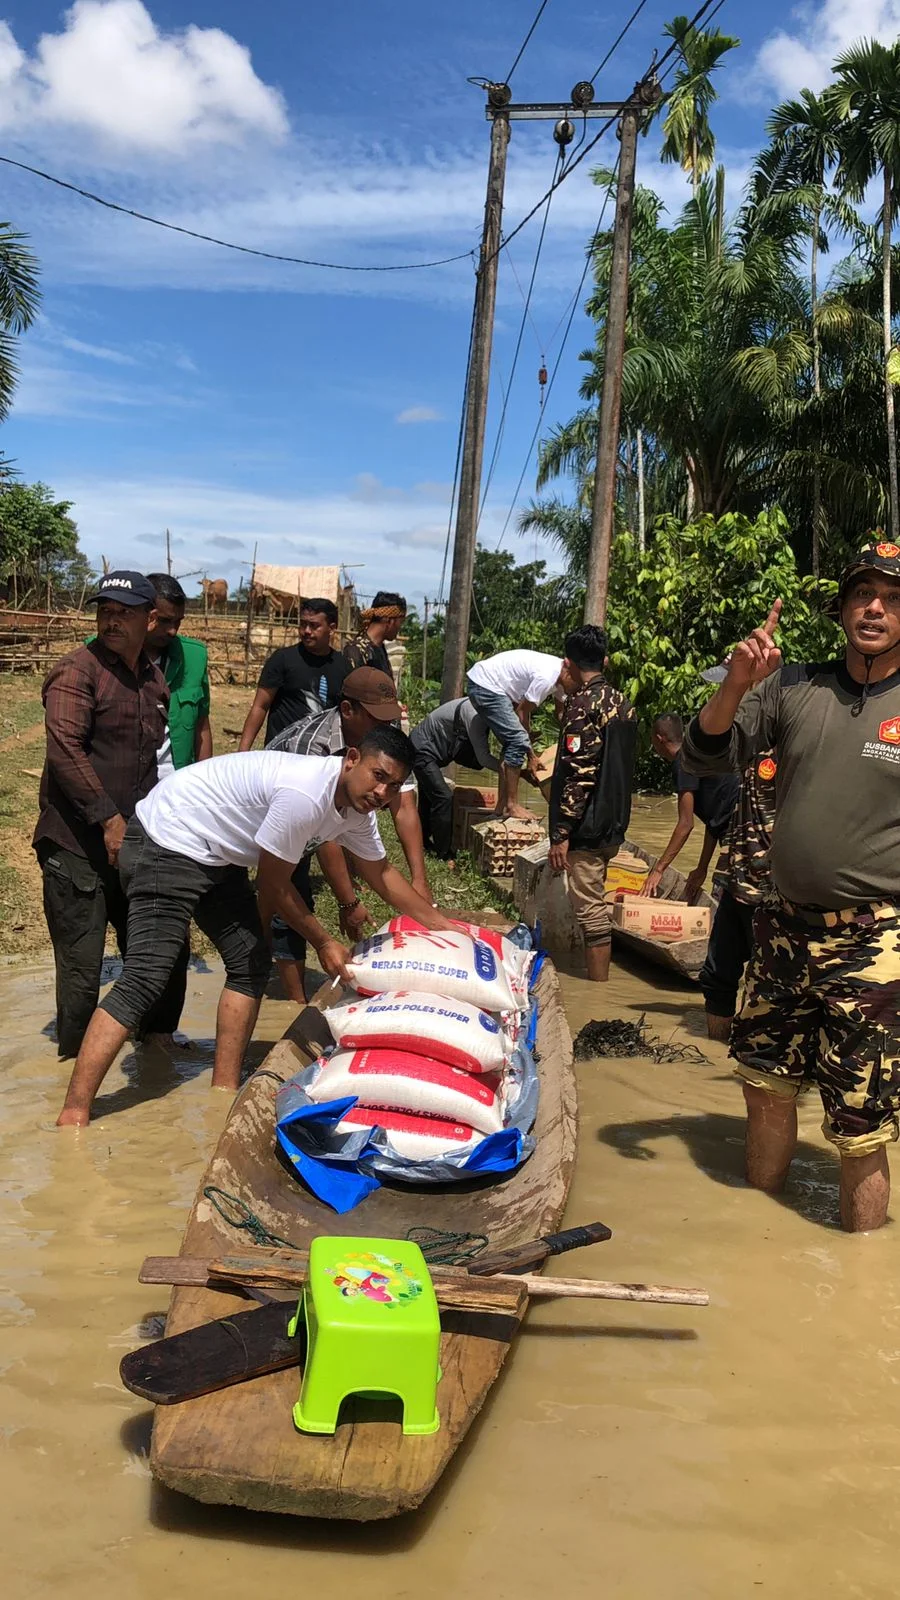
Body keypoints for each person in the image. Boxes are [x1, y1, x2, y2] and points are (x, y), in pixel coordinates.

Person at [55, 728, 454, 1127]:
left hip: (217, 852)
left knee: (250, 963)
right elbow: (272, 885)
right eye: (378, 775)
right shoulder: (305, 794)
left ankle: (223, 1093)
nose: (382, 792)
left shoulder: (357, 811)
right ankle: (73, 1113)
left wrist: (442, 925)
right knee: (146, 976)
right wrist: (323, 941)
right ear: (352, 759)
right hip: (168, 836)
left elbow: (381, 873)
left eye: (394, 785)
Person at [682, 541, 900, 1232]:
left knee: (861, 1124)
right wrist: (738, 683)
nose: (875, 608)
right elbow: (704, 752)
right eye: (863, 593)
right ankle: (757, 1243)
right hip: (780, 930)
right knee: (765, 1088)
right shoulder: (793, 685)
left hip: (877, 940)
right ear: (839, 608)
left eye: (893, 598)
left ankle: (858, 1278)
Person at [33, 570, 187, 1059]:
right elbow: (65, 751)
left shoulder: (152, 678)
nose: (112, 621)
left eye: (124, 613)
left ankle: (157, 1053)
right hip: (78, 844)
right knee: (82, 969)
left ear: (152, 619)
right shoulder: (77, 672)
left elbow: (155, 762)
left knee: (164, 948)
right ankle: (76, 1068)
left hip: (136, 839)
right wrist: (109, 821)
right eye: (105, 611)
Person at [266, 667, 432, 998]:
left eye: (389, 719)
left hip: (313, 819)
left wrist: (419, 880)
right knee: (285, 895)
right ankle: (295, 1001)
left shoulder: (383, 739)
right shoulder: (313, 747)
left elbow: (405, 806)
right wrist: (347, 900)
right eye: (376, 719)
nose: (385, 728)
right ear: (347, 710)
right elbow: (325, 834)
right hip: (276, 818)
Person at [547, 626, 638, 983]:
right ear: (604, 660)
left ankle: (598, 990)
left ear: (568, 664)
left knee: (590, 911)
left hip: (588, 825)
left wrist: (561, 832)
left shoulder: (582, 705)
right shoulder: (623, 704)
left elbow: (579, 775)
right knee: (595, 901)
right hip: (615, 821)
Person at [695, 660, 777, 1044]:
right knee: (718, 976)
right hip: (736, 878)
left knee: (773, 986)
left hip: (776, 890)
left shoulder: (784, 732)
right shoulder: (740, 742)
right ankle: (713, 1054)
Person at [642, 712, 740, 900]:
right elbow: (715, 821)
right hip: (737, 825)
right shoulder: (695, 754)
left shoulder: (684, 763)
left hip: (739, 833)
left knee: (726, 899)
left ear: (659, 739)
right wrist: (702, 867)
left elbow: (686, 824)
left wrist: (658, 869)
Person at [466, 648, 569, 819]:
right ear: (568, 669)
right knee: (517, 740)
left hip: (493, 687)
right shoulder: (547, 678)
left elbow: (560, 715)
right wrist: (531, 754)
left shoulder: (564, 679)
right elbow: (522, 712)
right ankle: (512, 805)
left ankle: (500, 808)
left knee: (512, 745)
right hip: (485, 686)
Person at [238, 597, 348, 751]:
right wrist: (242, 752)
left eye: (314, 626)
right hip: (282, 754)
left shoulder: (343, 666)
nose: (307, 631)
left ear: (331, 628)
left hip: (320, 756)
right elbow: (260, 706)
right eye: (303, 624)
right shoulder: (283, 659)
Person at [409, 697, 499, 861]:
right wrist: (513, 771)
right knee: (443, 797)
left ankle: (421, 842)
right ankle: (444, 854)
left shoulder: (483, 706)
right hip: (422, 749)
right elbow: (484, 758)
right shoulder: (475, 716)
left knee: (428, 799)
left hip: (427, 747)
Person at [145, 574, 213, 775]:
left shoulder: (193, 657)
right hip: (126, 784)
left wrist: (203, 781)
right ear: (146, 614)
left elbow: (202, 726)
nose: (173, 631)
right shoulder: (111, 653)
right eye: (165, 621)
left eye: (178, 621)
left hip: (176, 782)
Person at [343, 592, 407, 683]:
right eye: (400, 622)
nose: (399, 627)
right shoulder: (355, 650)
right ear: (390, 621)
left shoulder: (379, 648)